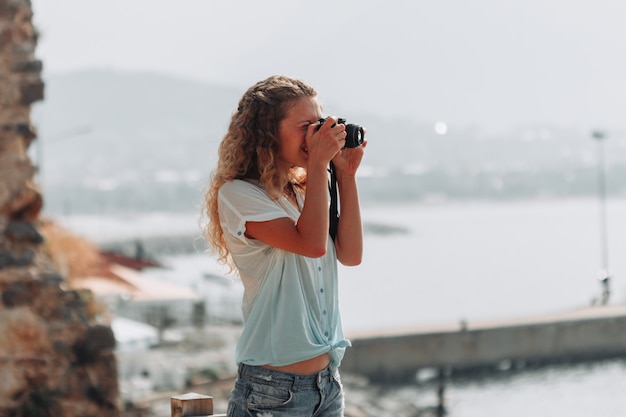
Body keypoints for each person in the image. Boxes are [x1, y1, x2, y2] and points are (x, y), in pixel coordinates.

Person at [202, 75, 366, 417]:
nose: (317, 134)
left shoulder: (307, 193)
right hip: (272, 390)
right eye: (307, 125)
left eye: (319, 123)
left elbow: (350, 255)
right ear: (267, 132)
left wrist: (346, 177)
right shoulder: (238, 195)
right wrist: (320, 164)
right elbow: (310, 244)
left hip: (327, 384)